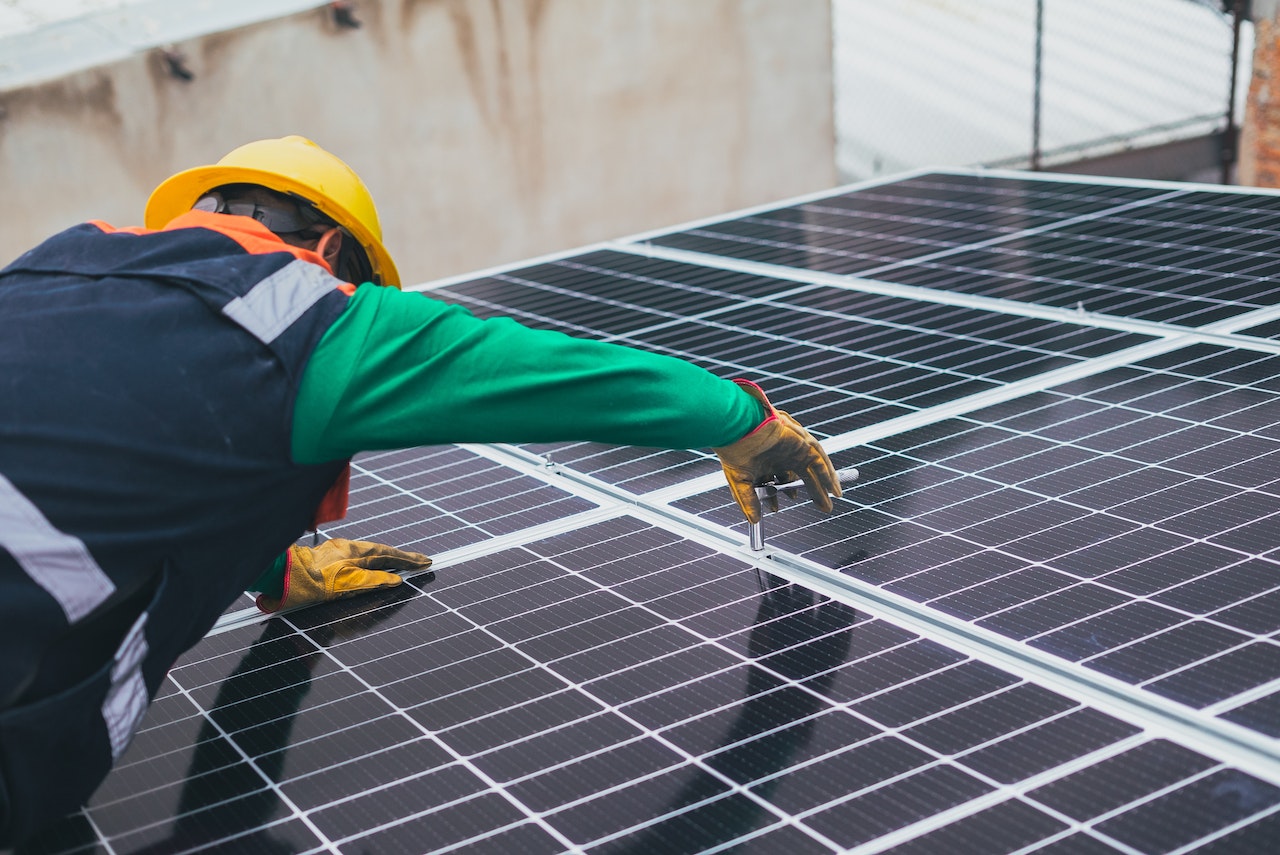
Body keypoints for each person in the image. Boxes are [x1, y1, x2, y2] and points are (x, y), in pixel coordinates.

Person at [0, 135, 840, 846]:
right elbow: (561, 373)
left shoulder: (47, 267)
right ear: (334, 252)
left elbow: (121, 436)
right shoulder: (313, 314)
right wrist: (744, 421)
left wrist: (276, 570)